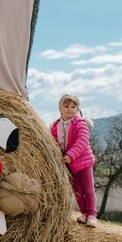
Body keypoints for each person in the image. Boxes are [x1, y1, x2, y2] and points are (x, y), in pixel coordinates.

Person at [50, 94, 98, 228]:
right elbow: (54, 143)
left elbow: (82, 141)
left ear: (77, 109)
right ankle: (83, 213)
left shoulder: (80, 123)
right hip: (68, 164)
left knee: (88, 189)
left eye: (73, 107)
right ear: (60, 108)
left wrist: (71, 154)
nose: (70, 109)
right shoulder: (55, 126)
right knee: (77, 190)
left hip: (83, 161)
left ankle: (92, 215)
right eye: (66, 106)